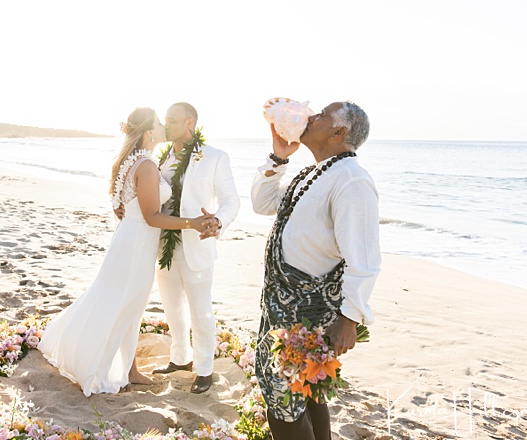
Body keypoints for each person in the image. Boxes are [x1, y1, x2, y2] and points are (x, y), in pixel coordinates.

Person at [38, 107, 214, 396]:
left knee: (126, 305)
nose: (163, 126)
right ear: (148, 132)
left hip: (130, 242)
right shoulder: (145, 166)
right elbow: (152, 217)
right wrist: (191, 223)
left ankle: (130, 369)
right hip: (136, 248)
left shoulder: (132, 161)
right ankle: (106, 364)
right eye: (159, 123)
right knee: (125, 305)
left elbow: (123, 202)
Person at [251, 101, 381, 439]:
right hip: (280, 307)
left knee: (282, 399)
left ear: (339, 132)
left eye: (321, 115)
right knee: (307, 391)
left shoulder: (352, 180)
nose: (310, 117)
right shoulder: (315, 172)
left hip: (308, 312)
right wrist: (279, 157)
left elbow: (363, 258)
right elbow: (263, 204)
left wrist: (349, 318)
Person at [151, 102, 240, 394]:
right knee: (172, 306)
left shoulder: (215, 157)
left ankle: (204, 369)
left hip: (198, 245)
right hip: (165, 243)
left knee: (200, 311)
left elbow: (231, 201)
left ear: (190, 122)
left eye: (172, 120)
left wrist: (218, 222)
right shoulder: (161, 157)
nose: (166, 125)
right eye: (165, 120)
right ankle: (180, 359)